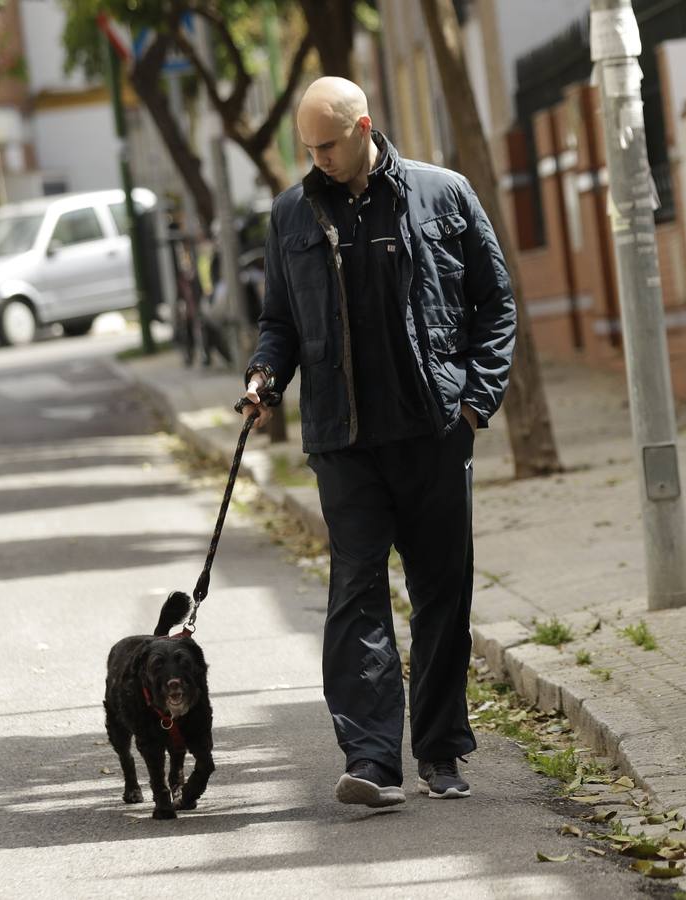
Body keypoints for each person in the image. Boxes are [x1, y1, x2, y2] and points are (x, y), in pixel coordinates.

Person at [238, 77, 515, 807]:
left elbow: (496, 303)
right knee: (356, 595)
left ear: (363, 127)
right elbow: (279, 320)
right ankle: (369, 761)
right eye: (308, 148)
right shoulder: (292, 213)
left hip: (432, 433)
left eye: (328, 144)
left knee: (440, 595)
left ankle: (440, 750)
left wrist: (475, 405)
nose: (317, 158)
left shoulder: (443, 194)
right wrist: (265, 376)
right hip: (344, 441)